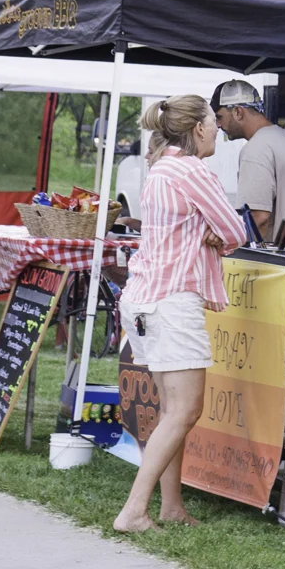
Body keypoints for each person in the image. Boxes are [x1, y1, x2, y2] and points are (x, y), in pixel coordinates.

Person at [112, 96, 248, 533]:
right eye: (213, 123)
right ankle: (134, 510)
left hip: (144, 297)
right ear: (197, 129)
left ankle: (171, 506)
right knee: (184, 411)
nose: (218, 131)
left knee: (172, 410)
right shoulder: (191, 170)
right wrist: (212, 234)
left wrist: (207, 233)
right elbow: (233, 230)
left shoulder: (161, 166)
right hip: (172, 300)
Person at [212, 79, 285, 254]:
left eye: (219, 117)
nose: (218, 126)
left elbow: (258, 218)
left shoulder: (256, 148)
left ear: (238, 112)